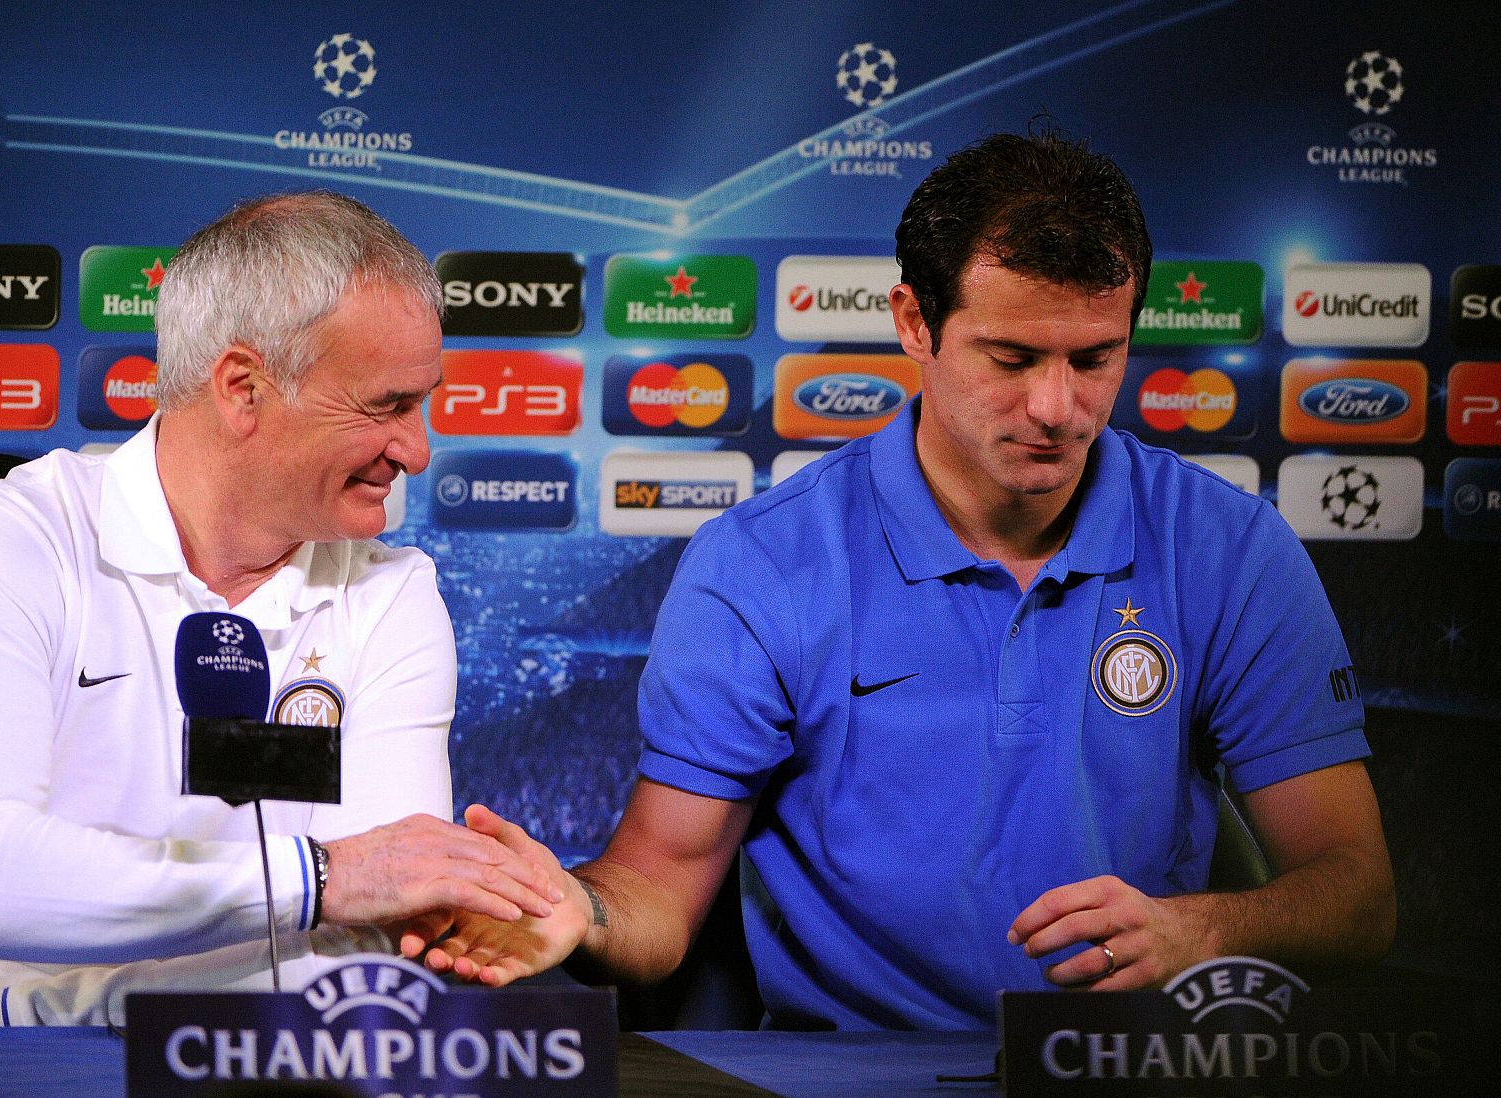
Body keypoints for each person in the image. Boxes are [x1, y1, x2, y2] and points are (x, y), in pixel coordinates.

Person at [408, 131, 1397, 1033]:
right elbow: (660, 888)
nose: (1057, 407)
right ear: (914, 323)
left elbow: (1355, 896)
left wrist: (1204, 932)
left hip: (1123, 1071)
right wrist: (574, 911)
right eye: (1012, 357)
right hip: (843, 1078)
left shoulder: (1228, 547)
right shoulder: (762, 563)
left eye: (1095, 358)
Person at [0, 191, 562, 1027]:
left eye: (422, 402)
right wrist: (320, 879)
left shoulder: (393, 593)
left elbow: (368, 942)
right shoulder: (11, 540)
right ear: (243, 388)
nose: (418, 449)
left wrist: (53, 1007)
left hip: (186, 1053)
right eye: (388, 405)